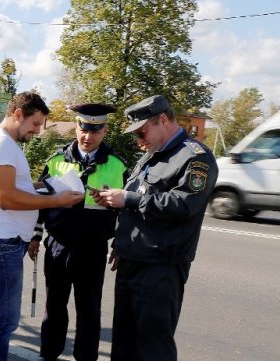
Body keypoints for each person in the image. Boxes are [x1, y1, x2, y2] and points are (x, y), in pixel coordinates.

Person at [92, 95, 218, 361]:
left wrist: (129, 199)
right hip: (131, 259)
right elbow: (134, 200)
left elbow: (185, 204)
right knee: (125, 341)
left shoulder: (195, 158)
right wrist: (120, 239)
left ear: (162, 120)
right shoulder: (149, 156)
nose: (139, 140)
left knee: (153, 345)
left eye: (142, 132)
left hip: (161, 266)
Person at [0, 92, 84, 361]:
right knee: (4, 321)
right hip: (2, 241)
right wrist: (56, 200)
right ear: (18, 114)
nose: (38, 131)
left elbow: (12, 186)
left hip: (3, 239)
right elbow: (6, 198)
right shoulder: (1, 145)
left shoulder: (5, 143)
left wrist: (45, 186)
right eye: (35, 124)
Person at [36, 104, 128, 361]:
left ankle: (86, 357)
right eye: (83, 129)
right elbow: (41, 202)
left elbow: (126, 212)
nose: (87, 137)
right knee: (54, 306)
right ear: (76, 126)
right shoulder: (56, 162)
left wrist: (119, 244)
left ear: (104, 131)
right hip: (57, 244)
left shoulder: (117, 166)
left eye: (95, 131)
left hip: (92, 248)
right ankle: (48, 353)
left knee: (89, 309)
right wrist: (35, 236)